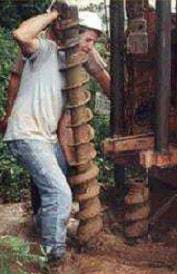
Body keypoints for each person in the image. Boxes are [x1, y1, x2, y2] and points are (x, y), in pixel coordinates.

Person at [1, 1, 110, 265]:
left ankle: (43, 224)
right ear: (71, 33)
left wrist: (87, 47)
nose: (89, 47)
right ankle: (53, 257)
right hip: (27, 134)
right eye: (87, 39)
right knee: (60, 193)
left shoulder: (73, 63)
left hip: (47, 139)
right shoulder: (44, 50)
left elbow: (104, 78)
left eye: (94, 42)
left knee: (62, 180)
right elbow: (20, 35)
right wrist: (54, 15)